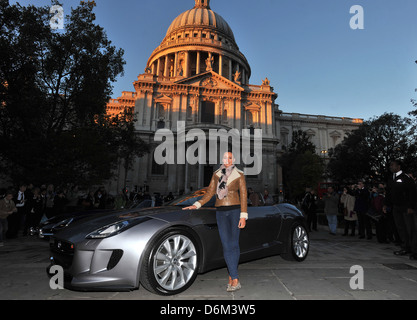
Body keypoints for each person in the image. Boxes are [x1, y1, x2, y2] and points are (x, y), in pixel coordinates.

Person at [183, 152, 248, 292]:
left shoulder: (239, 174)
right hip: (221, 212)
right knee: (226, 244)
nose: (227, 160)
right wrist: (197, 204)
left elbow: (243, 194)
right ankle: (233, 275)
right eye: (225, 157)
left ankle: (234, 278)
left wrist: (243, 215)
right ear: (222, 159)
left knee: (233, 243)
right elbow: (209, 193)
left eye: (230, 158)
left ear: (233, 160)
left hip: (235, 211)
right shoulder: (216, 174)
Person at [384, 160, 416, 258]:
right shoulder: (391, 178)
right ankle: (405, 247)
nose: (390, 167)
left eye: (392, 165)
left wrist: (411, 206)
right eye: (390, 165)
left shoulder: (405, 178)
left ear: (399, 166)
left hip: (406, 207)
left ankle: (414, 251)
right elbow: (388, 193)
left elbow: (412, 193)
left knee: (410, 228)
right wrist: (385, 204)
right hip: (396, 207)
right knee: (400, 228)